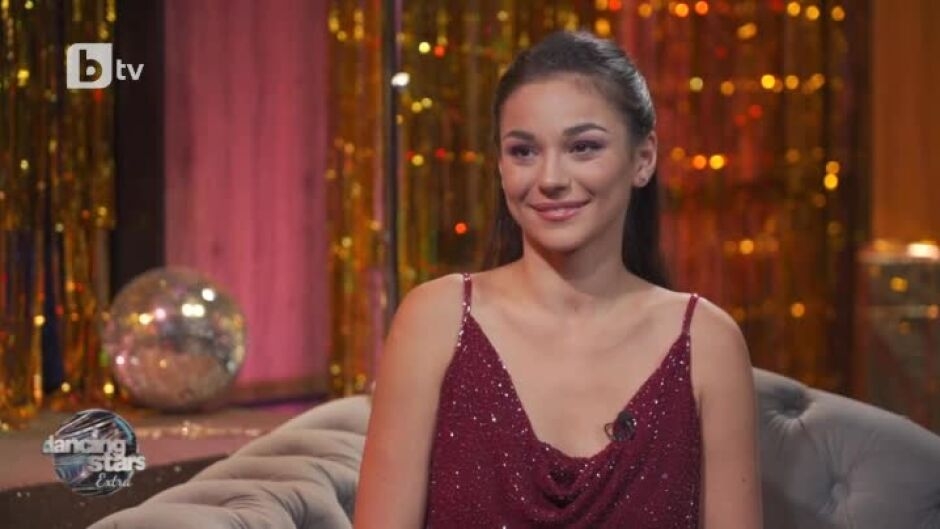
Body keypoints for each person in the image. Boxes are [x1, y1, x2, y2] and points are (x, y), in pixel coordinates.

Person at [353, 30, 762, 528]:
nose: (549, 179)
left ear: (643, 159)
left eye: (583, 147)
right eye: (524, 151)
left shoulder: (707, 342)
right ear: (500, 166)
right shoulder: (434, 320)